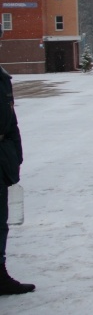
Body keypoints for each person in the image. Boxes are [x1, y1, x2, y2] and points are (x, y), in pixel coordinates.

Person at [0, 24, 35, 296]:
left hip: (2, 156)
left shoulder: (2, 76)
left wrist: (15, 153)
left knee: (1, 221)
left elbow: (10, 122)